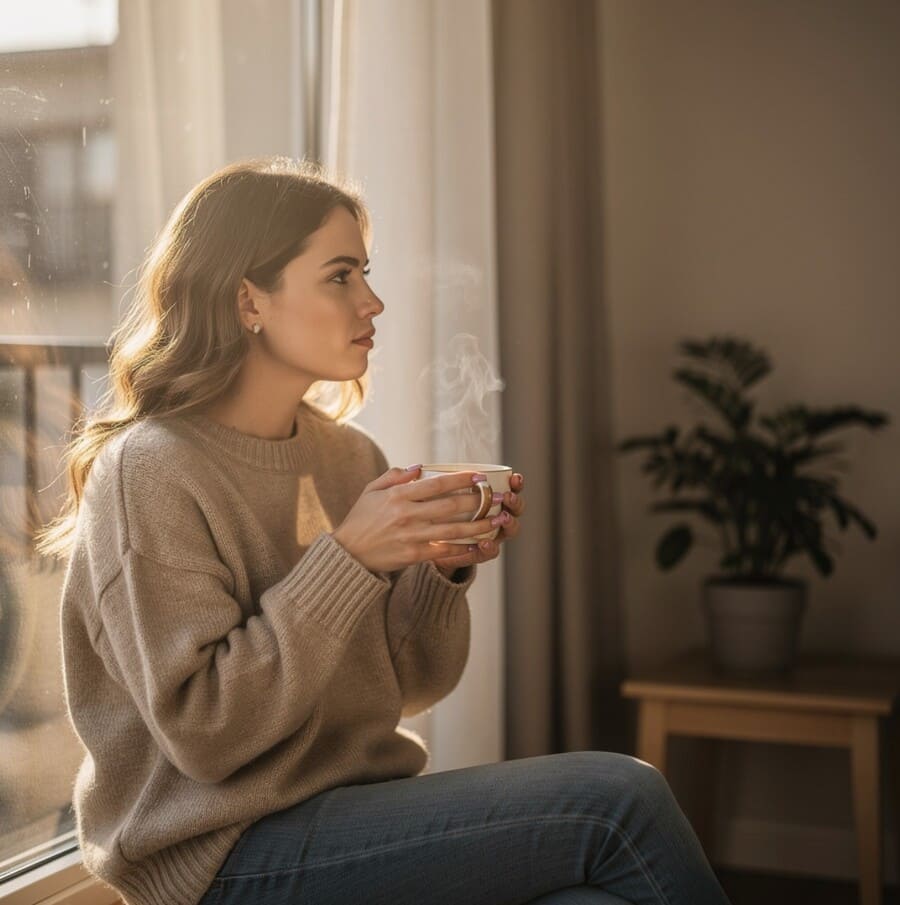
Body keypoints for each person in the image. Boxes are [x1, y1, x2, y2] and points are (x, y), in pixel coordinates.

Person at [39, 157, 730, 905]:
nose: (372, 301)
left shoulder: (348, 456)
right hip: (222, 851)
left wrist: (438, 572)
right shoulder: (149, 472)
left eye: (365, 273)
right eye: (340, 276)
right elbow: (207, 735)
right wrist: (349, 559)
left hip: (351, 812)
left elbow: (405, 686)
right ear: (248, 300)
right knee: (618, 797)